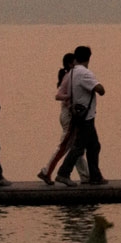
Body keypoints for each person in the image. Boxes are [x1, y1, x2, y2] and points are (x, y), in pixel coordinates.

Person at [54, 45, 107, 186]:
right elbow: (101, 90)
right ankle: (63, 173)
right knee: (78, 147)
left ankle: (95, 176)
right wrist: (98, 86)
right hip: (86, 117)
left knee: (94, 146)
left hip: (78, 114)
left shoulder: (71, 73)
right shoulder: (85, 73)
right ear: (88, 58)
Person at [38, 52, 78, 185]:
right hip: (68, 115)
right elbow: (58, 95)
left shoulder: (70, 76)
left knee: (75, 146)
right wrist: (70, 98)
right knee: (63, 146)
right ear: (70, 64)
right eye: (74, 62)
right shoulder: (69, 77)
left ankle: (86, 175)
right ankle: (46, 171)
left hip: (67, 114)